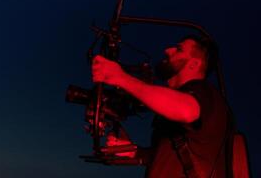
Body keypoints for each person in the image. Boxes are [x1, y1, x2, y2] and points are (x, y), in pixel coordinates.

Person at [91, 35, 231, 178]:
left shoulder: (204, 91)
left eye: (179, 49)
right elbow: (171, 157)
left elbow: (187, 110)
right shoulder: (182, 101)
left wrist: (120, 77)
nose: (168, 50)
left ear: (194, 64)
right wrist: (133, 151)